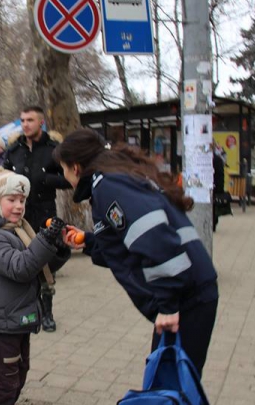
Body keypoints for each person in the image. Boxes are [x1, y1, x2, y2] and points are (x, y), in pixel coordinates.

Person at [53, 129, 219, 376]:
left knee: (171, 388)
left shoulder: (108, 186)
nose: (65, 177)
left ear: (75, 167)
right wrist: (87, 241)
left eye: (64, 169)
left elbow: (154, 239)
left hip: (186, 296)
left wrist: (168, 305)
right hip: (188, 290)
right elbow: (129, 242)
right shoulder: (117, 178)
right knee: (172, 384)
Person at [0, 167, 70, 404]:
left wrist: (58, 245)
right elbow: (21, 268)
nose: (18, 206)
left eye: (22, 200)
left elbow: (38, 266)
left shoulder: (19, 231)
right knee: (4, 384)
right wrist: (43, 239)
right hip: (3, 323)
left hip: (18, 319)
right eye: (11, 200)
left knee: (18, 374)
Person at [2, 106, 71, 332]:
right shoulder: (14, 149)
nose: (25, 124)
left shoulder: (54, 150)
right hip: (17, 214)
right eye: (22, 120)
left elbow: (69, 178)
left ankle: (47, 312)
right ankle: (6, 308)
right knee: (13, 259)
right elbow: (1, 175)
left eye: (30, 120)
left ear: (41, 122)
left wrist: (46, 179)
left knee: (43, 263)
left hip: (44, 213)